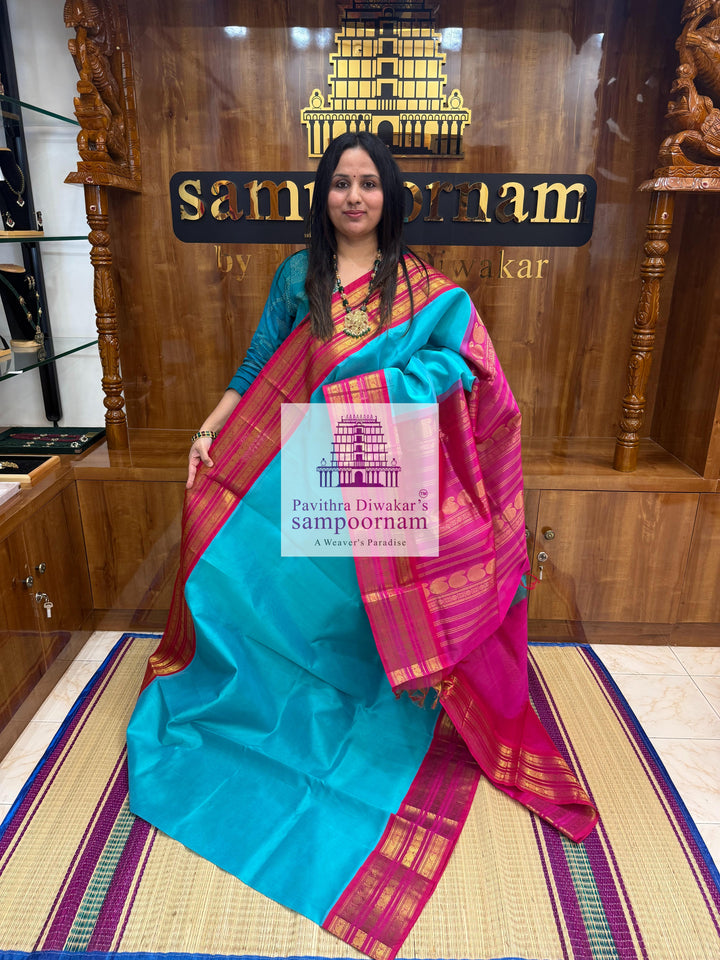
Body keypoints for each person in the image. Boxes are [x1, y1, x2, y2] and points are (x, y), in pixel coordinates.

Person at [127, 132, 597, 960]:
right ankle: (301, 694)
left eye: (368, 183)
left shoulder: (423, 287)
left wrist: (391, 384)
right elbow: (259, 367)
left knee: (374, 601)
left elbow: (472, 369)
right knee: (303, 592)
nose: (353, 196)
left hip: (387, 460)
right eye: (340, 183)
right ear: (324, 194)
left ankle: (383, 696)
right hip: (310, 454)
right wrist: (212, 427)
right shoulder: (296, 276)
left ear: (389, 195)